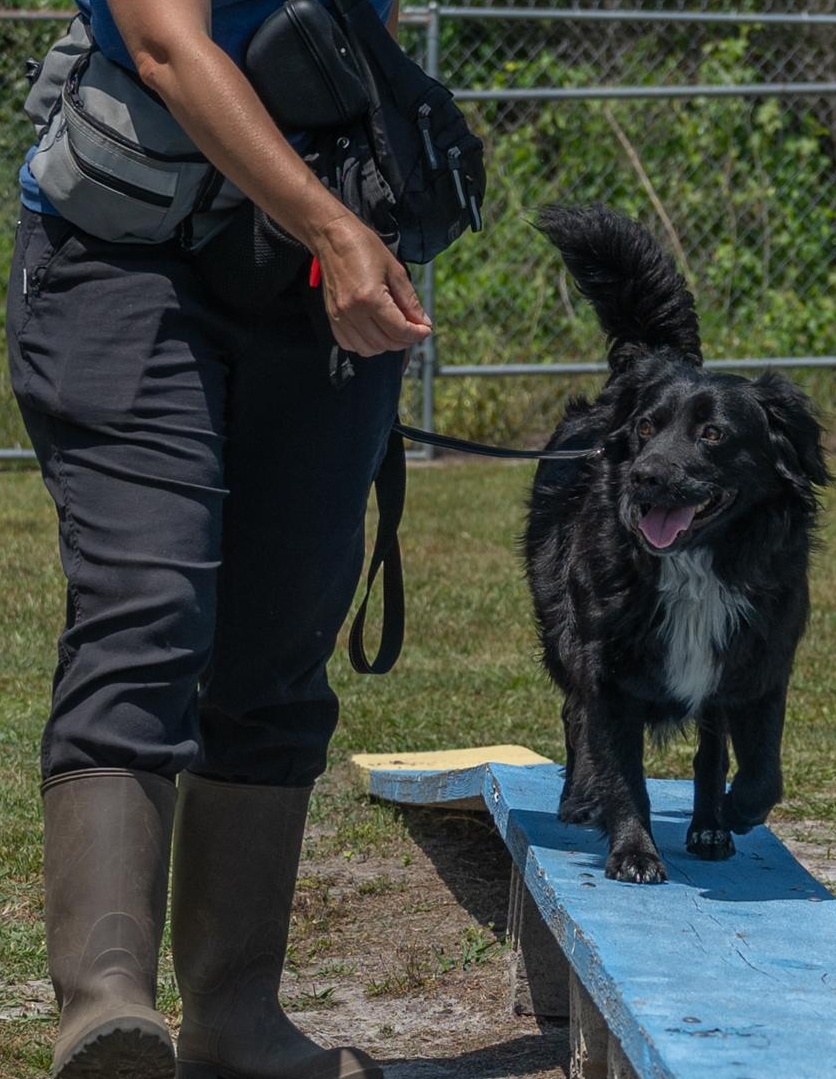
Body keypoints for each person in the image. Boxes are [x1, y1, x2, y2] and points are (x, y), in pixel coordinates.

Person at [6, 2, 431, 1077]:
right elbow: (165, 47)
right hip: (124, 262)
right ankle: (106, 1006)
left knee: (279, 643)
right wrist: (332, 226)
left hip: (305, 286)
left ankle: (237, 1017)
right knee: (147, 606)